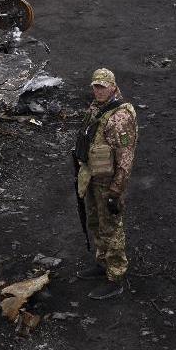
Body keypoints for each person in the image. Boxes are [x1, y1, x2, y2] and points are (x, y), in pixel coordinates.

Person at [72, 68, 138, 300]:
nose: (98, 90)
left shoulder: (120, 118)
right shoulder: (96, 108)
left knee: (111, 226)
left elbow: (125, 159)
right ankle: (102, 262)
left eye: (102, 86)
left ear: (113, 86)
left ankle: (116, 275)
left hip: (108, 182)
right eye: (95, 86)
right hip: (92, 177)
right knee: (95, 222)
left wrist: (116, 190)